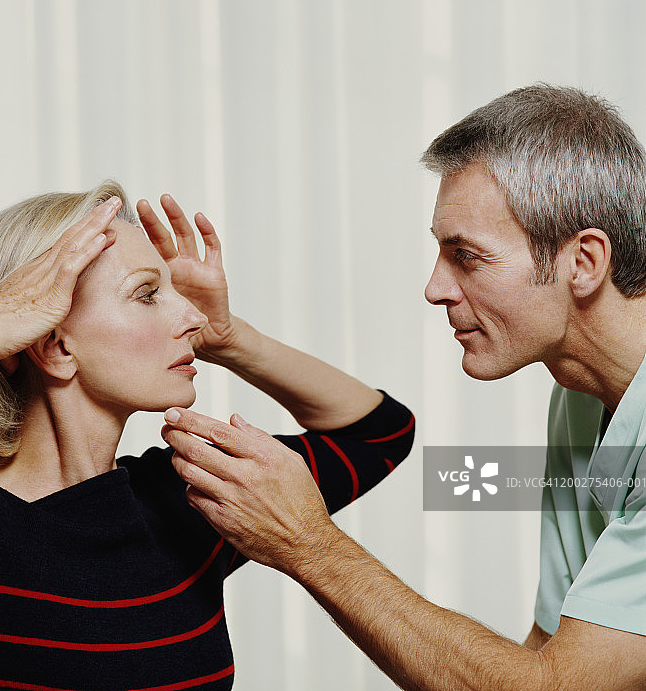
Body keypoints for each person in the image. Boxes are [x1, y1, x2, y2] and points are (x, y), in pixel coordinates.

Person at [163, 85, 646, 690]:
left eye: (467, 256)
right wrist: (230, 340)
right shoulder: (577, 396)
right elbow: (550, 645)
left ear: (584, 262)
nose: (435, 288)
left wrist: (306, 542)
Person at [0, 180, 414, 689]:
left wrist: (232, 341)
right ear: (55, 346)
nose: (193, 317)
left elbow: (378, 433)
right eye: (147, 294)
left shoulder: (192, 497)